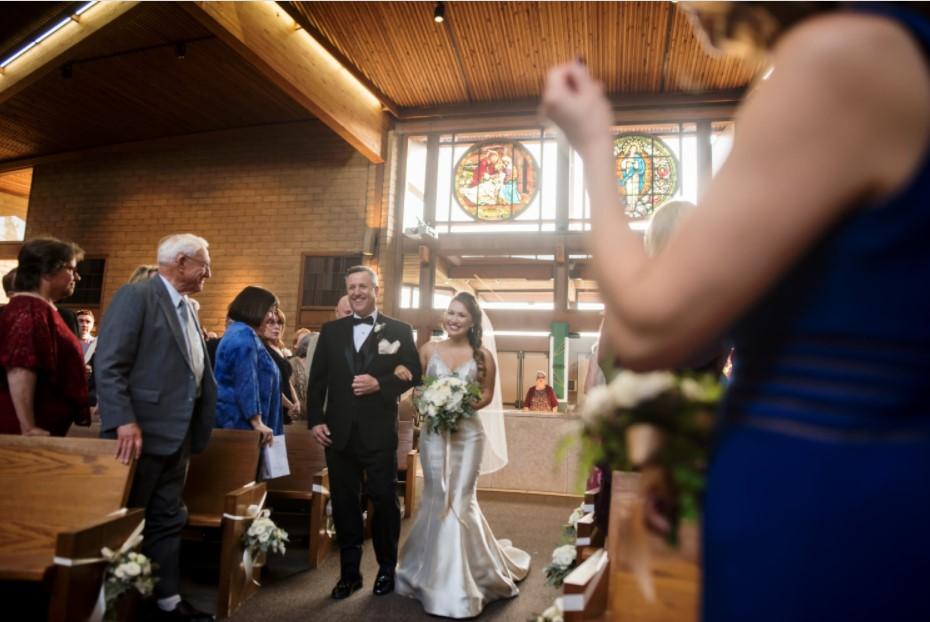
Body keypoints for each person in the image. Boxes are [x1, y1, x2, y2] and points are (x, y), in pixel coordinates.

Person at [541, 3, 930, 620]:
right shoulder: (874, 51)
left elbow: (646, 327)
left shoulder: (841, 57)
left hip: (823, 505)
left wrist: (591, 144)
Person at [95, 233, 216, 622]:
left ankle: (167, 602)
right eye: (204, 265)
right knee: (128, 520)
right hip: (139, 435)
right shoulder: (137, 296)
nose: (208, 273)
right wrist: (123, 419)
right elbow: (109, 364)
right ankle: (117, 604)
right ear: (181, 262)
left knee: (168, 518)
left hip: (178, 435)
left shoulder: (187, 307)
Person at [394, 292, 529, 618]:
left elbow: (487, 394)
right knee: (436, 496)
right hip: (434, 436)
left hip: (468, 435)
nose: (453, 319)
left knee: (460, 499)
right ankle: (430, 575)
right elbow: (417, 389)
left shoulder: (483, 356)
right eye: (450, 313)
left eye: (461, 316)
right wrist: (426, 398)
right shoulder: (428, 350)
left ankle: (464, 583)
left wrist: (457, 402)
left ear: (472, 322)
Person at [308, 265, 420, 600]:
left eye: (363, 286)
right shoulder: (331, 331)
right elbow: (317, 382)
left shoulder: (399, 330)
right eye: (352, 287)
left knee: (384, 501)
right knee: (344, 503)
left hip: (378, 433)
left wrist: (380, 383)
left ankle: (386, 569)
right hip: (338, 434)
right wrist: (316, 420)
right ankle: (349, 574)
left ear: (375, 290)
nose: (357, 292)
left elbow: (414, 372)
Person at [0, 237, 89, 436]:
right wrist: (28, 426)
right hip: (22, 429)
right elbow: (20, 367)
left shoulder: (41, 308)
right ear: (48, 271)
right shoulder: (28, 309)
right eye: (71, 269)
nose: (77, 277)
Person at [214, 286, 281, 447]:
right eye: (270, 311)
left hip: (239, 425)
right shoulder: (243, 336)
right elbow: (246, 381)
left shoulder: (239, 332)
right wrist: (257, 421)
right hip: (241, 428)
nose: (272, 316)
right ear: (256, 308)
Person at [259, 307, 299, 424]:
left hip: (287, 409)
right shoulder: (261, 349)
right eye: (271, 322)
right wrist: (290, 405)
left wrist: (296, 402)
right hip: (272, 407)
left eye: (279, 323)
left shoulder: (279, 348)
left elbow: (287, 380)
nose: (277, 327)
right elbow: (269, 385)